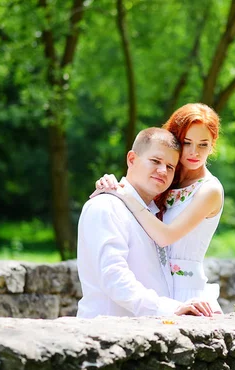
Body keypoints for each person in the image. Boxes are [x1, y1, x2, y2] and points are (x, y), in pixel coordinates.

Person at [92, 103, 224, 313]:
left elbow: (165, 236)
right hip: (154, 290)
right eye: (186, 142)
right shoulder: (167, 178)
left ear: (212, 146)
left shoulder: (209, 190)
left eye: (203, 145)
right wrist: (112, 184)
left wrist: (125, 194)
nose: (194, 152)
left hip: (186, 292)